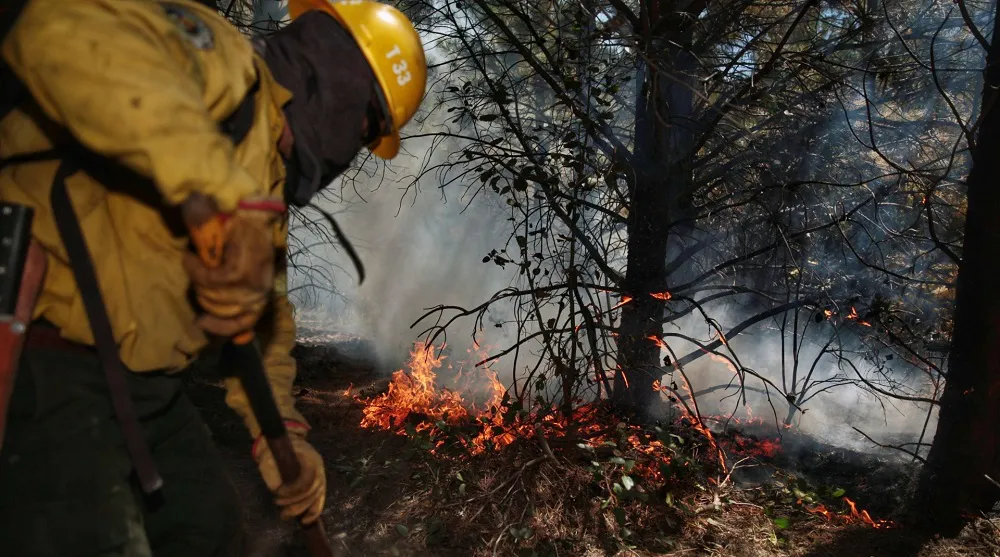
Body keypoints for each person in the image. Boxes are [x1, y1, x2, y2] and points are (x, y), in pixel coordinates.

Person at [0, 0, 426, 555]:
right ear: (341, 83)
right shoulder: (222, 60)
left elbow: (264, 324)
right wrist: (216, 194)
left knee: (210, 530)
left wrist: (284, 442)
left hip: (144, 389)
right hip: (50, 358)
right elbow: (55, 27)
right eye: (368, 129)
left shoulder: (263, 181)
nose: (356, 150)